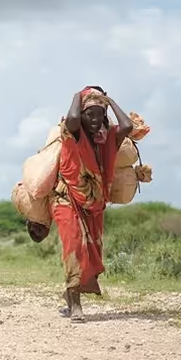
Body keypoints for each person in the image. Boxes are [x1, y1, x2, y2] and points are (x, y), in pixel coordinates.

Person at [52, 86, 133, 323]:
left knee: (90, 252)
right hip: (67, 199)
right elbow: (74, 118)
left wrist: (108, 101)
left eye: (101, 115)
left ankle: (70, 296)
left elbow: (127, 126)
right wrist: (78, 95)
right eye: (91, 115)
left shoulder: (107, 139)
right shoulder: (72, 133)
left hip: (94, 204)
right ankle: (76, 306)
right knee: (75, 248)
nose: (96, 121)